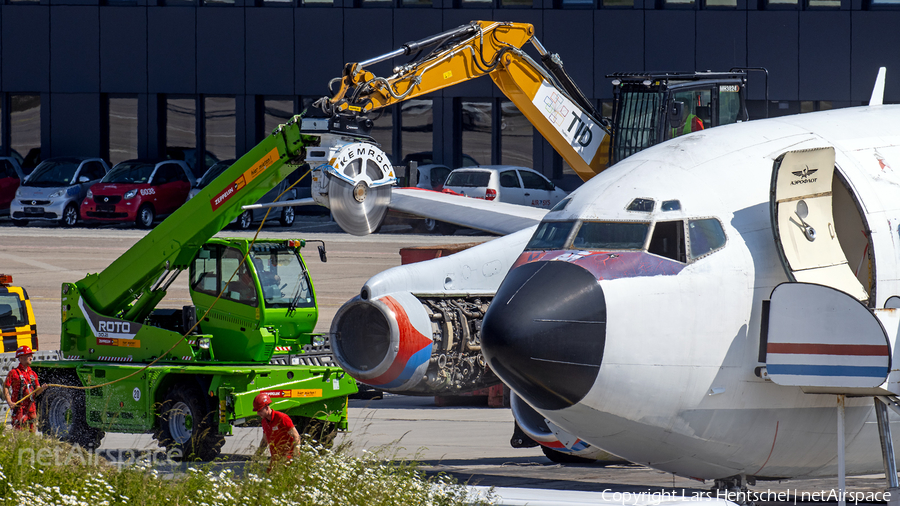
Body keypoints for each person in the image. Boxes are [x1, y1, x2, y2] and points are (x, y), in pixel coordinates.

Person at [4, 345, 47, 431]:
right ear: (20, 358)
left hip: (31, 409)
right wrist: (9, 402)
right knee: (19, 433)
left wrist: (42, 389)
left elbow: (37, 391)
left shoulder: (33, 374)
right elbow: (5, 387)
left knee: (32, 435)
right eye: (28, 355)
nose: (31, 358)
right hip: (19, 408)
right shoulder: (13, 373)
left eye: (31, 355)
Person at [254, 392, 301, 468]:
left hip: (289, 459)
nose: (258, 413)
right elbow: (265, 441)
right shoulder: (264, 421)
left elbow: (296, 436)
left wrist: (296, 454)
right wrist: (257, 455)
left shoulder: (281, 418)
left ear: (266, 407)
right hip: (276, 459)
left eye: (259, 410)